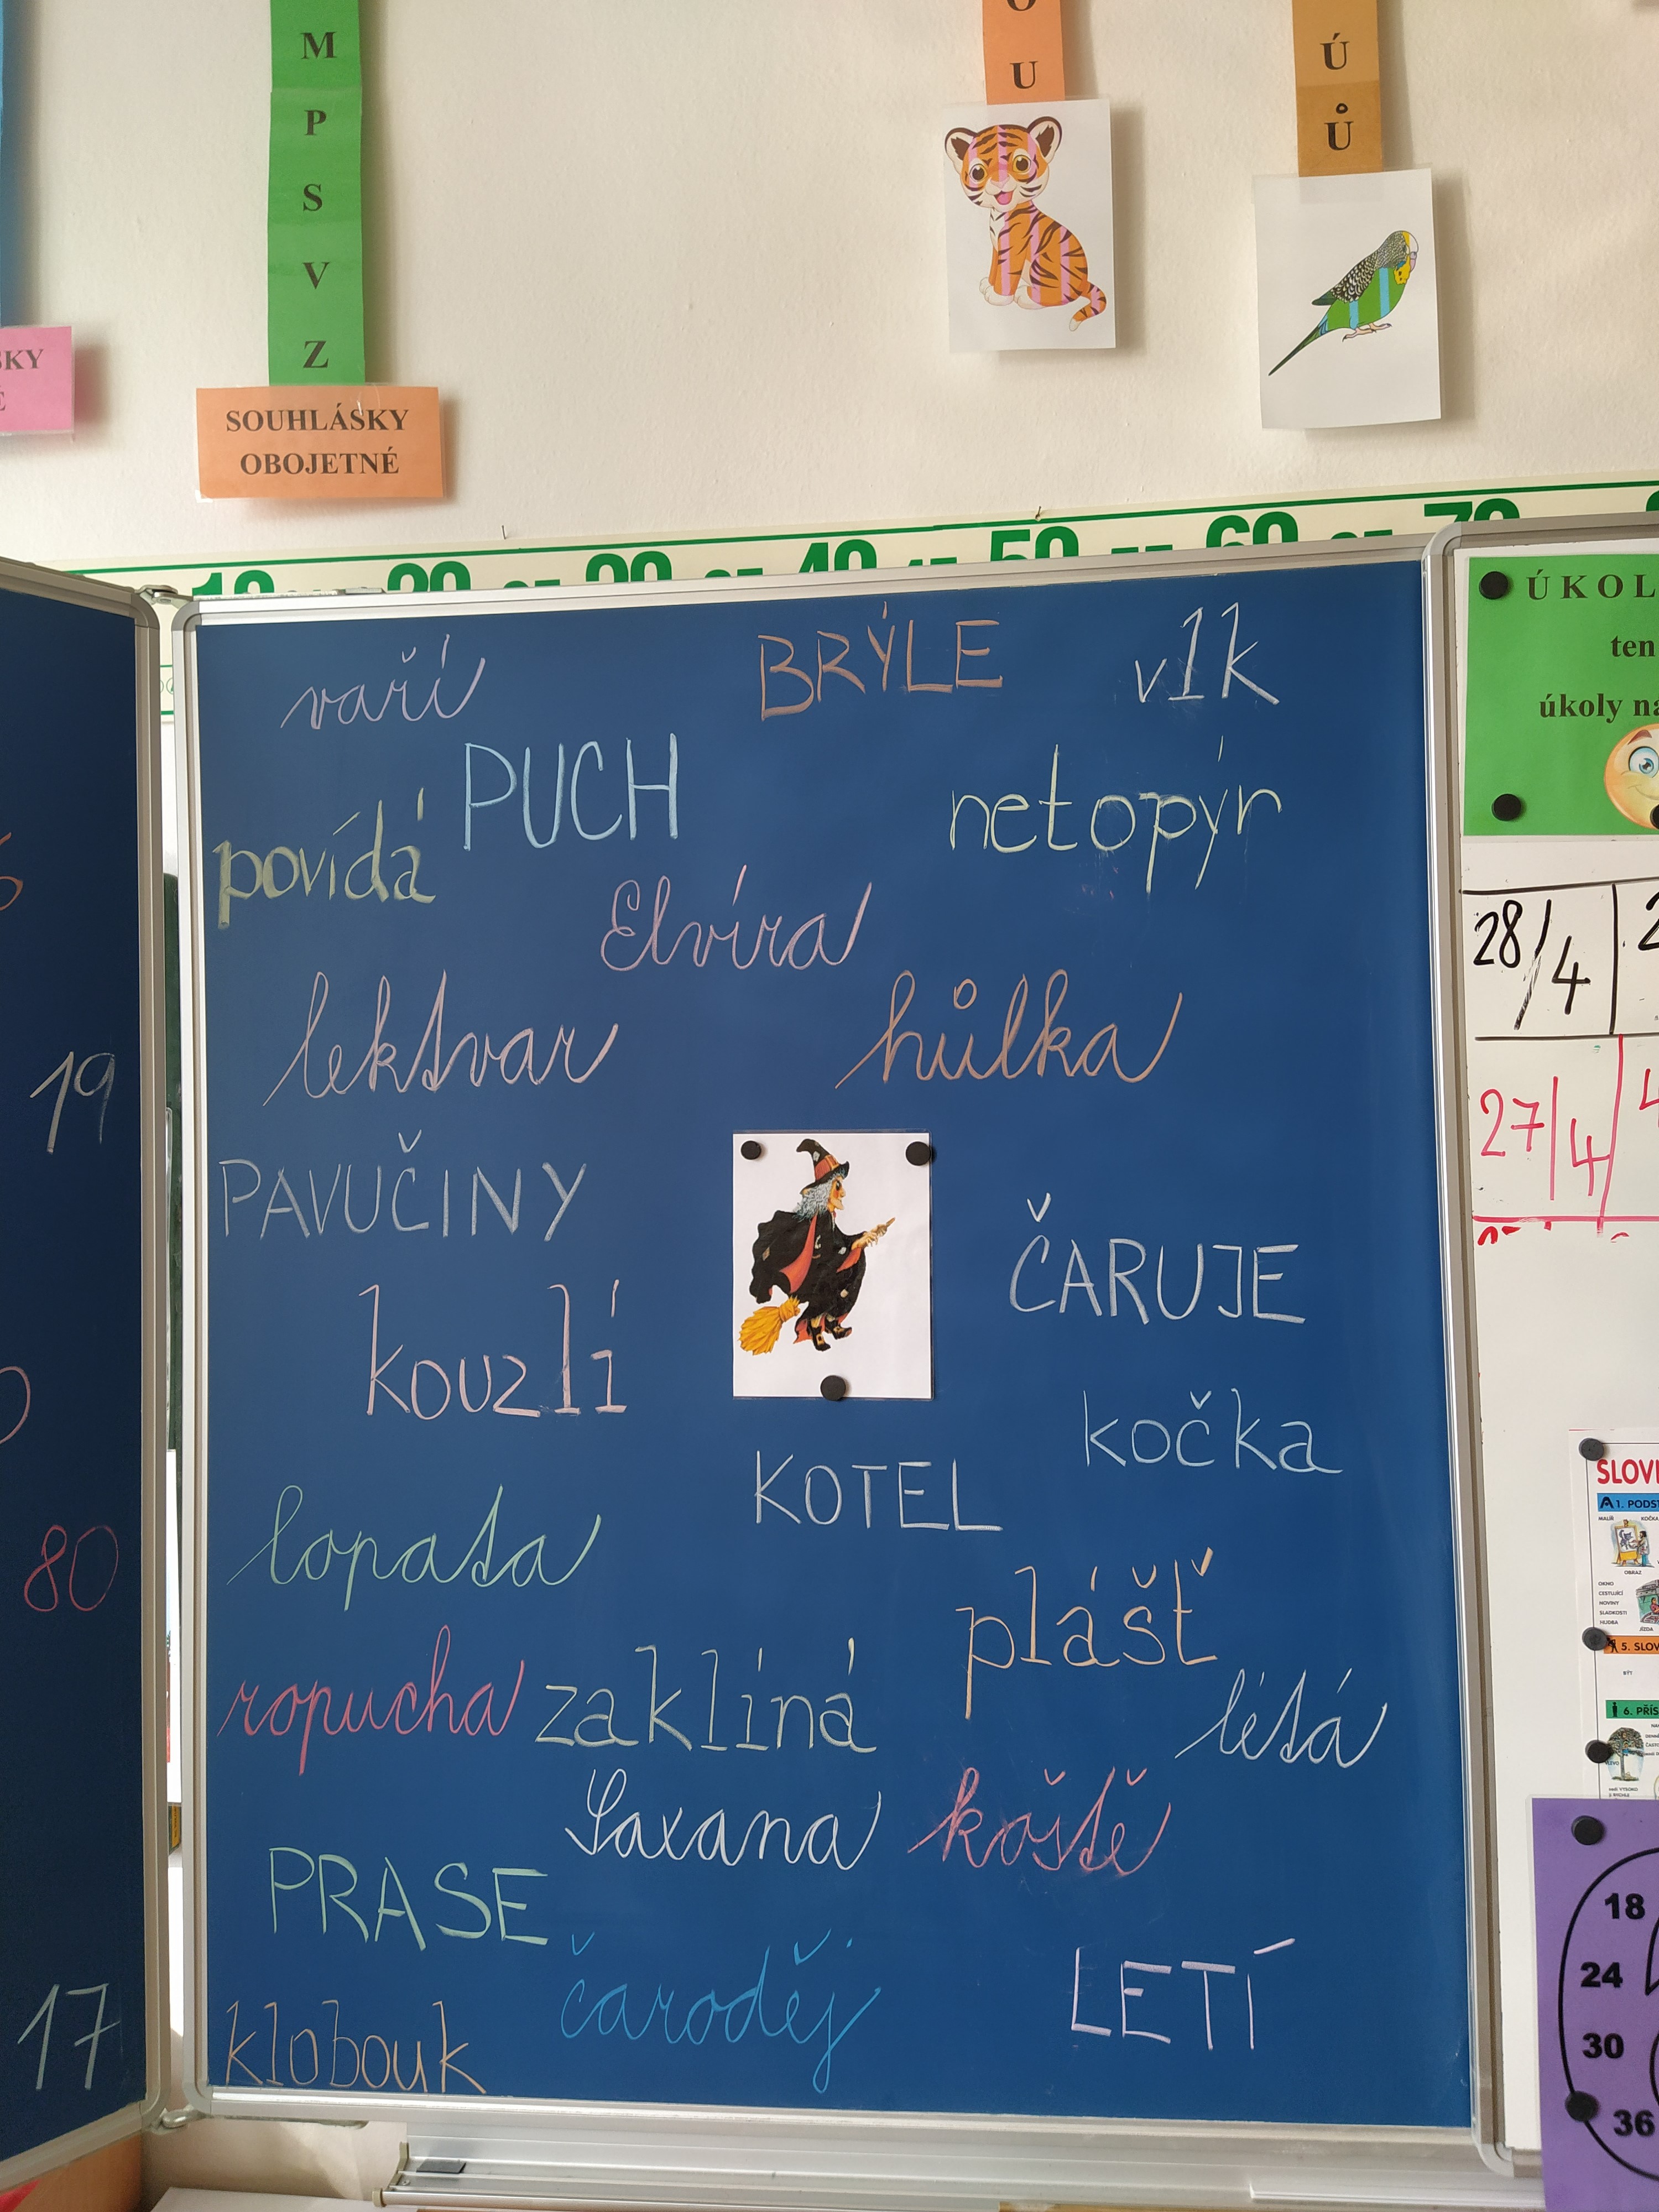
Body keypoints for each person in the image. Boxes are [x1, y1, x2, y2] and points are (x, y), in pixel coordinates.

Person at [744, 1140, 892, 1353]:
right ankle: (815, 1326)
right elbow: (826, 1257)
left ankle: (831, 1320)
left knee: (857, 1260)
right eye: (838, 1186)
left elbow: (839, 1242)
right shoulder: (818, 1220)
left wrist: (864, 1236)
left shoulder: (826, 1217)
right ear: (824, 1191)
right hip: (809, 1281)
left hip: (819, 1274)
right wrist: (854, 1245)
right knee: (839, 1272)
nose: (843, 1193)